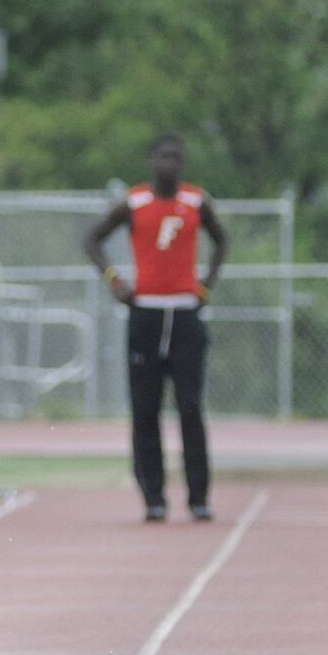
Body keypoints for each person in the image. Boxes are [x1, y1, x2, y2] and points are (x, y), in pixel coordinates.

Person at [83, 134, 228, 523]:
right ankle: (153, 497)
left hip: (185, 315)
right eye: (163, 157)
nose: (170, 164)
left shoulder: (196, 202)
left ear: (183, 164)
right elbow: (92, 239)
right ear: (151, 162)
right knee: (145, 410)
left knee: (190, 407)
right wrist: (115, 280)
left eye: (177, 158)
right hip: (145, 314)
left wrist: (206, 285)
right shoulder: (135, 203)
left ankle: (198, 496)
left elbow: (220, 241)